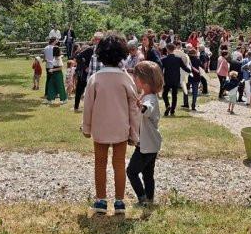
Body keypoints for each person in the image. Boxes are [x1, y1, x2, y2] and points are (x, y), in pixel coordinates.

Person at [81, 33, 139, 216]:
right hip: (121, 128)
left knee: (100, 163)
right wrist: (134, 133)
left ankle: (101, 200)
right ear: (122, 54)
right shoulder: (126, 79)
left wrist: (86, 128)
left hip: (100, 128)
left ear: (101, 53)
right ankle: (120, 202)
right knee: (119, 164)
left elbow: (88, 106)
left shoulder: (95, 79)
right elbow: (134, 109)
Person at [127, 61, 163, 206]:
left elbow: (147, 110)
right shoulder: (147, 95)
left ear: (143, 81)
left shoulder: (150, 99)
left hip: (146, 146)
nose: (134, 80)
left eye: (136, 78)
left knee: (131, 171)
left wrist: (140, 105)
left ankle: (142, 198)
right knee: (148, 174)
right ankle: (149, 198)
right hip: (150, 144)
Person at [74, 31, 104, 112]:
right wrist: (85, 67)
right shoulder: (90, 49)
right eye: (96, 39)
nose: (97, 41)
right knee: (81, 90)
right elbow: (78, 57)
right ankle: (76, 107)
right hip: (86, 74)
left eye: (99, 39)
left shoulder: (104, 51)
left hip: (100, 75)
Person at [160, 43, 190, 116]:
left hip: (167, 79)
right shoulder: (178, 59)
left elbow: (160, 69)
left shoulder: (164, 59)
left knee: (164, 94)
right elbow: (184, 68)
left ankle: (167, 105)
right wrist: (191, 71)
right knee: (174, 95)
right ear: (174, 49)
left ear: (167, 49)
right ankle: (172, 110)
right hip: (175, 79)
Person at [42, 37, 56, 101]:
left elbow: (44, 58)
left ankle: (46, 93)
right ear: (53, 41)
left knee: (48, 80)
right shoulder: (54, 48)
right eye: (56, 41)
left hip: (47, 65)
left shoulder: (45, 48)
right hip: (53, 65)